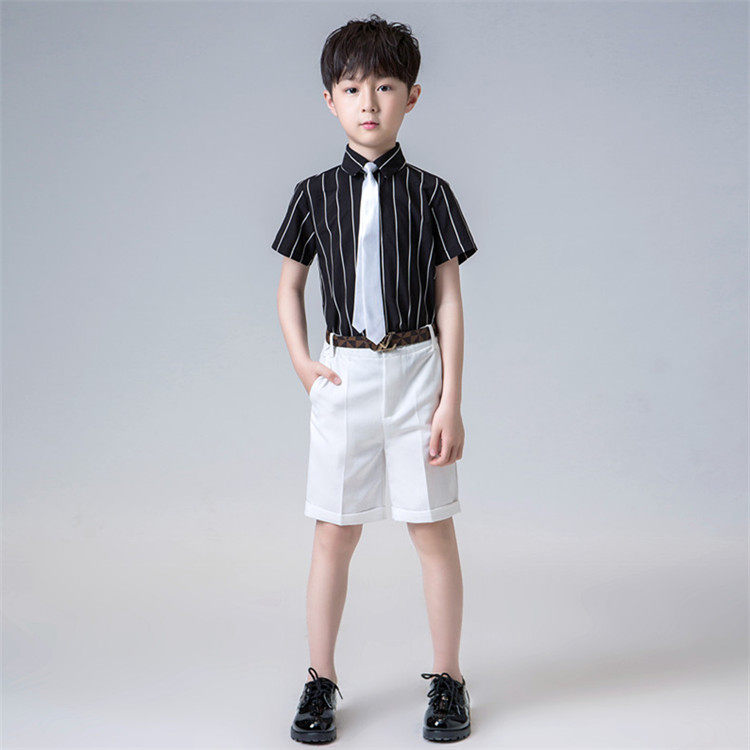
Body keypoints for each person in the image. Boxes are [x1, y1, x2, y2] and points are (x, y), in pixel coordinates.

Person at [271, 13, 478, 744]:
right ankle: (319, 678)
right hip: (345, 373)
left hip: (417, 370)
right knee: (334, 531)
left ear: (411, 97)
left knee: (432, 530)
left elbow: (450, 301)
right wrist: (304, 363)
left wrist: (451, 400)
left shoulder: (432, 193)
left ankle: (448, 678)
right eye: (353, 88)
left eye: (385, 87)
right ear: (330, 99)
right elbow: (289, 287)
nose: (369, 103)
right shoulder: (313, 193)